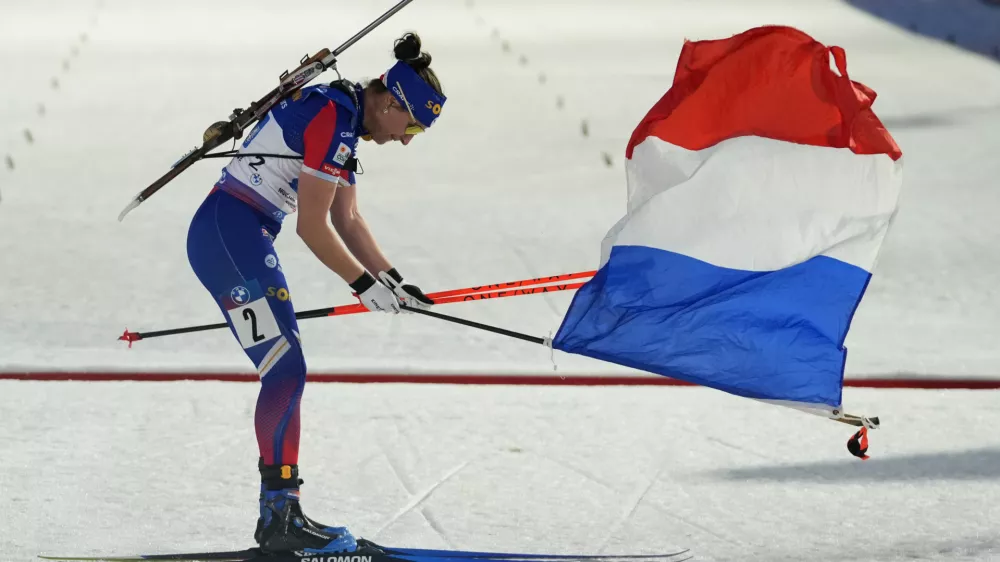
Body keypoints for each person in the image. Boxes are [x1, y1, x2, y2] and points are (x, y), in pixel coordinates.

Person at [185, 32, 445, 554]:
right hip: (229, 235)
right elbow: (313, 227)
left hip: (240, 233)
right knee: (285, 370)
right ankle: (279, 517)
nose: (408, 139)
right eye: (413, 124)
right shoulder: (335, 117)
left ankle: (281, 514)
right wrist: (363, 286)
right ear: (391, 102)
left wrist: (394, 279)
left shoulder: (343, 115)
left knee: (286, 369)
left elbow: (347, 217)